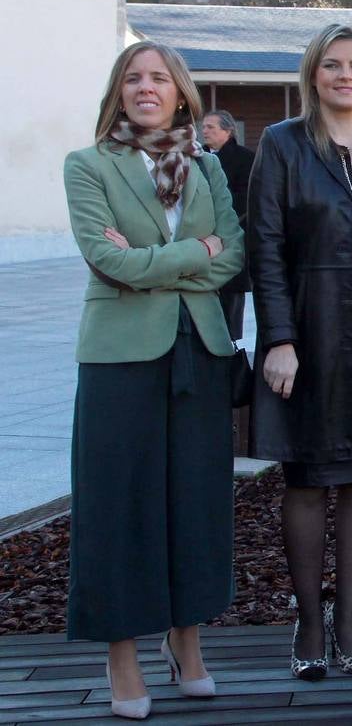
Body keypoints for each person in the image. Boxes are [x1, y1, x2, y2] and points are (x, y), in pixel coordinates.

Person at [63, 41, 244, 719]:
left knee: (195, 502)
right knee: (116, 505)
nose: (147, 87)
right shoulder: (87, 165)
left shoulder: (205, 165)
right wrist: (195, 251)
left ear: (180, 93)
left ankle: (187, 640)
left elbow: (235, 255)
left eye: (159, 78)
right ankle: (121, 656)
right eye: (134, 78)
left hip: (197, 347)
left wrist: (163, 258)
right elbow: (108, 261)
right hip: (118, 356)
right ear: (119, 91)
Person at [247, 24, 352, 680]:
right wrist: (280, 339)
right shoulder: (283, 145)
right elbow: (266, 247)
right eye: (333, 66)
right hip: (312, 337)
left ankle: (349, 622)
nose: (347, 76)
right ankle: (310, 622)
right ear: (313, 76)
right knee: (309, 478)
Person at [200, 110, 255, 340]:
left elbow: (248, 197)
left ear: (228, 130)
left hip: (233, 234)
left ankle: (232, 348)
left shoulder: (245, 158)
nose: (204, 131)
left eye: (211, 127)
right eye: (203, 127)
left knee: (230, 299)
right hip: (199, 238)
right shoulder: (195, 158)